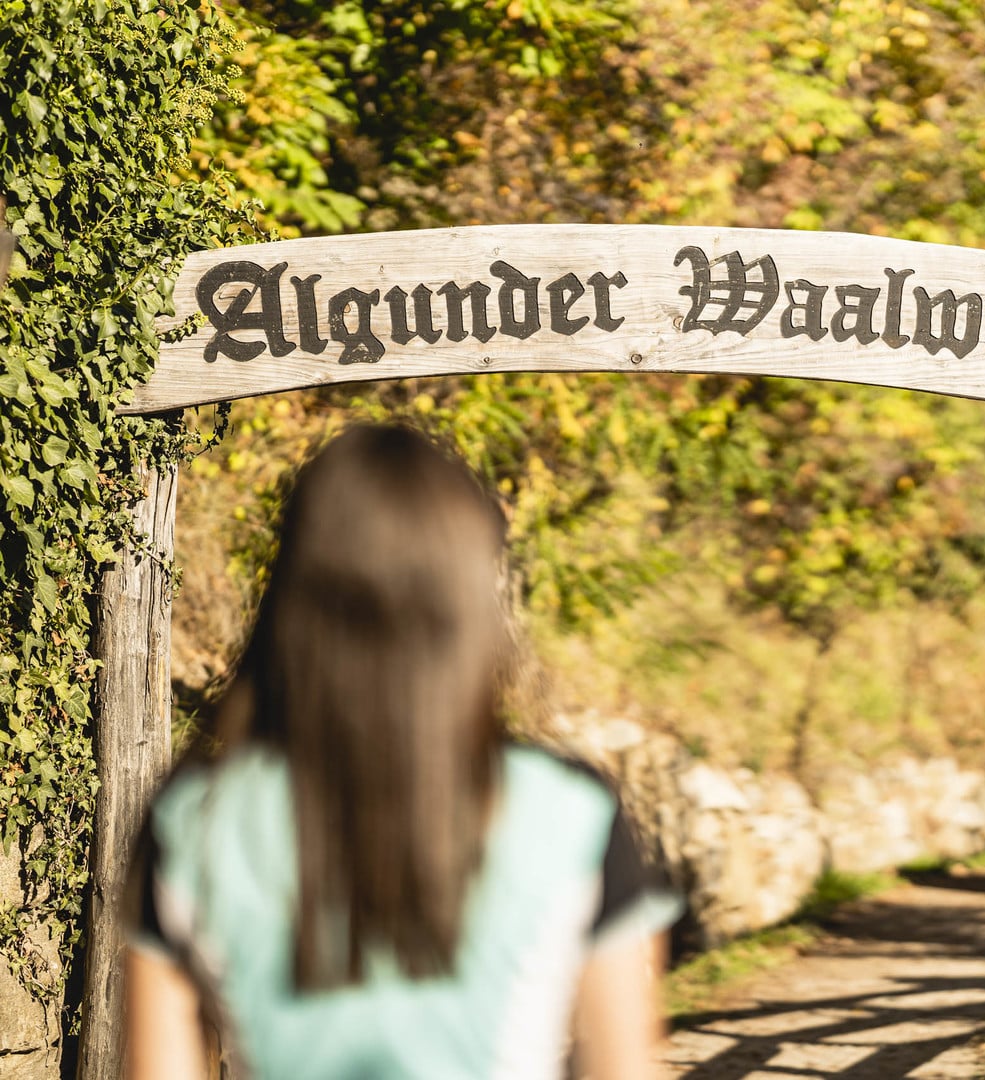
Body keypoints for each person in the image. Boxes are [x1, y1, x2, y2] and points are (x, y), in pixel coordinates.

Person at [124, 423, 678, 1080]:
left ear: (293, 593)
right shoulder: (573, 811)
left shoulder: (190, 818)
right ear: (469, 599)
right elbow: (623, 1068)